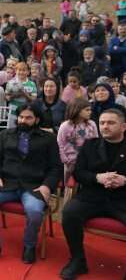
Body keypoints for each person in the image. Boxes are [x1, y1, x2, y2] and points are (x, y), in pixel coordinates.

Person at [0, 104, 63, 265]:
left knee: (34, 211)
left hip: (34, 186)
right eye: (21, 117)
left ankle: (29, 245)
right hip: (7, 183)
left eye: (28, 118)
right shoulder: (6, 135)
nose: (23, 121)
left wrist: (47, 186)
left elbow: (56, 167)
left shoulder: (49, 139)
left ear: (37, 120)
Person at [60, 109, 126, 279]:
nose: (105, 126)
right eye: (102, 123)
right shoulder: (90, 145)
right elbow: (78, 173)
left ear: (123, 126)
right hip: (93, 195)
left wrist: (124, 180)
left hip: (122, 198)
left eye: (111, 123)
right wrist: (97, 178)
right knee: (69, 213)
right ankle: (78, 260)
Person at [56, 98, 98, 184]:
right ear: (77, 110)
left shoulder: (92, 124)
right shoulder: (65, 125)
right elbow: (60, 143)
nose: (90, 112)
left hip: (88, 160)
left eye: (90, 110)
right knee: (69, 185)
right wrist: (65, 160)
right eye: (87, 110)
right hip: (70, 162)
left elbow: (96, 142)